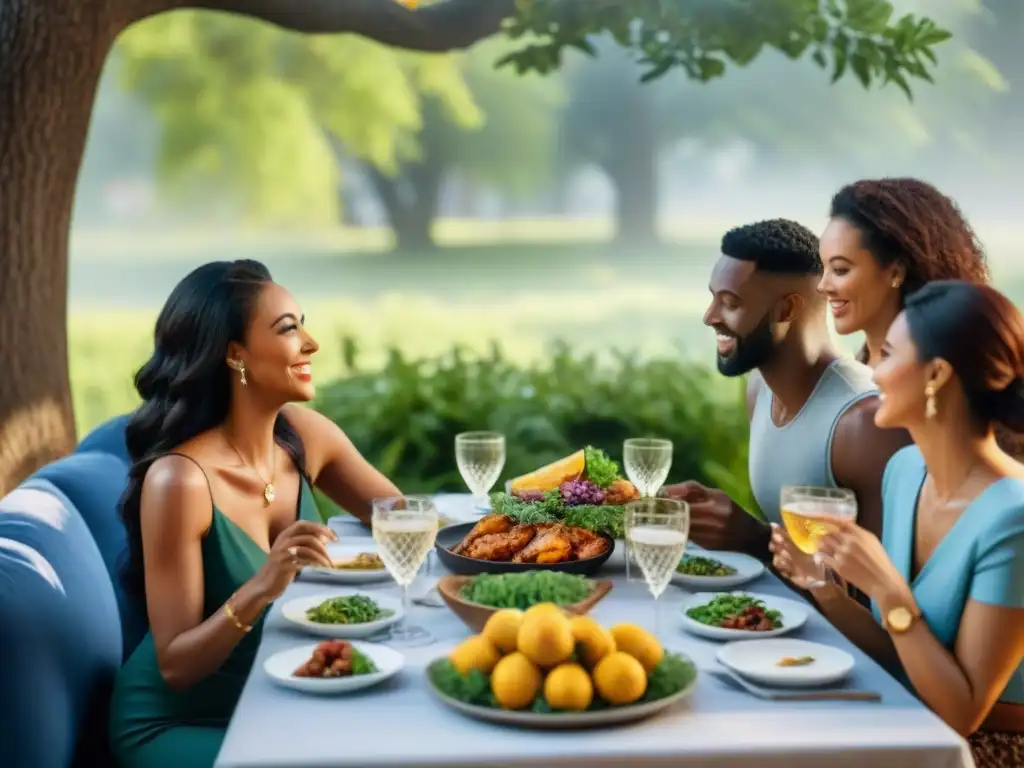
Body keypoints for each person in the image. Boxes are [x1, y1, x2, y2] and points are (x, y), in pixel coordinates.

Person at [109, 260, 402, 767]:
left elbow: (402, 521)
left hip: (275, 701)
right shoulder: (180, 481)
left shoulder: (305, 435)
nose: (311, 343)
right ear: (235, 355)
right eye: (289, 328)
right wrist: (262, 586)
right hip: (180, 723)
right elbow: (176, 666)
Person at [771, 281, 1024, 766]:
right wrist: (825, 588)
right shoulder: (904, 472)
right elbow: (900, 652)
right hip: (906, 721)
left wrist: (888, 589)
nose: (871, 370)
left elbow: (961, 713)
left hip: (985, 750)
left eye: (886, 354)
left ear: (936, 375)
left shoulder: (1012, 517)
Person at [663, 219, 909, 557]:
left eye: (731, 303)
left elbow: (885, 589)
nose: (710, 316)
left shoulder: (863, 423)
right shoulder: (759, 389)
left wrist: (756, 539)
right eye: (713, 299)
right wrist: (733, 525)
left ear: (787, 309)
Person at [818, 177, 989, 368]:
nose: (823, 286)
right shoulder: (848, 373)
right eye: (822, 268)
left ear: (896, 272)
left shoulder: (935, 375)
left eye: (840, 270)